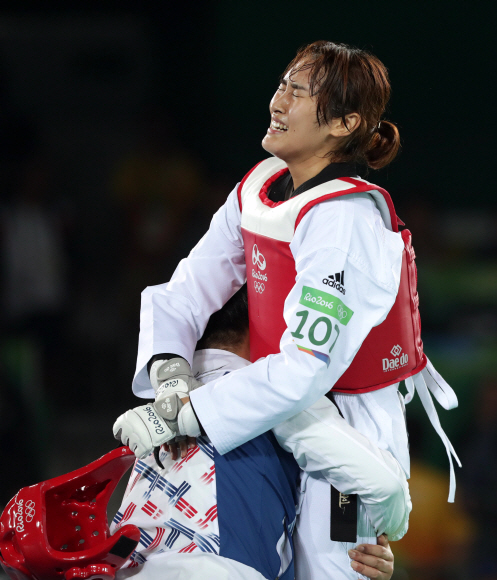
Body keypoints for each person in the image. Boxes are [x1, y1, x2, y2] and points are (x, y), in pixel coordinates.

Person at [114, 41, 460, 579]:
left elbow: (305, 368)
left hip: (344, 426)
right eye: (282, 84)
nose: (279, 101)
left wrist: (184, 414)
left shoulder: (347, 221)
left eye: (299, 92)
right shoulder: (259, 187)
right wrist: (170, 374)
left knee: (336, 570)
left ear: (345, 123)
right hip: (269, 396)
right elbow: (188, 287)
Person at [114, 286, 397, 580]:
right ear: (265, 323)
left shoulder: (153, 420)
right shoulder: (275, 398)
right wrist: (377, 537)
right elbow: (384, 485)